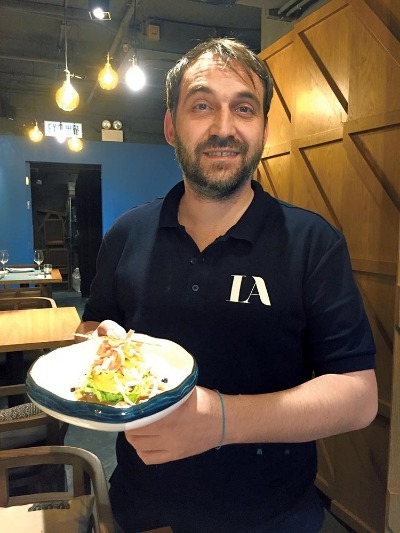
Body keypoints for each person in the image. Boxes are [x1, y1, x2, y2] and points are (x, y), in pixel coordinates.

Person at [76, 38, 378, 532]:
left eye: (244, 108)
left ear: (263, 129)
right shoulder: (128, 233)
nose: (223, 127)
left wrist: (220, 420)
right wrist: (100, 347)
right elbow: (92, 326)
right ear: (171, 126)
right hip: (144, 509)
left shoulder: (313, 242)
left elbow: (358, 396)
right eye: (202, 105)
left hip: (272, 516)